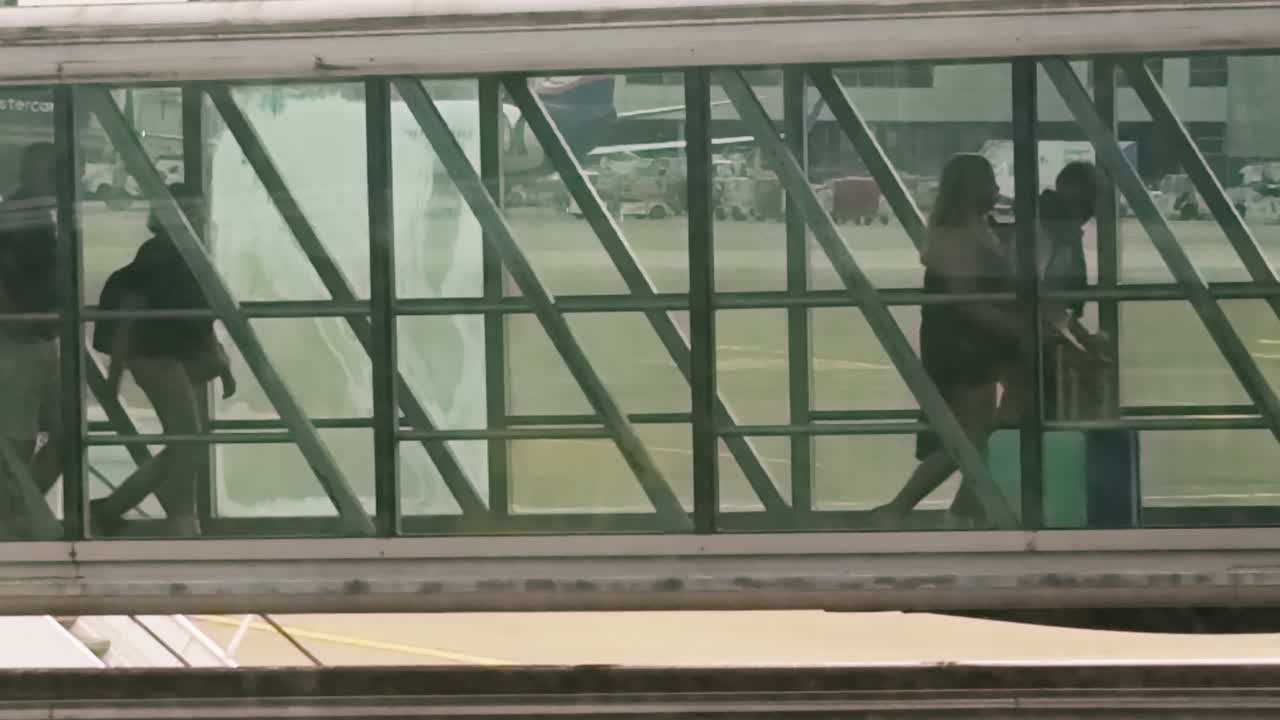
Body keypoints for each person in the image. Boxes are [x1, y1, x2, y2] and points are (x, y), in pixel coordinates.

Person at [870, 154, 1029, 529]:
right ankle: (902, 509)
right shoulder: (954, 234)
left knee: (988, 426)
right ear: (968, 187)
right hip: (962, 343)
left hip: (981, 338)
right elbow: (966, 301)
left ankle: (964, 508)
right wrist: (1016, 327)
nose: (995, 188)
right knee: (971, 436)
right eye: (987, 180)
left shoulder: (976, 226)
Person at [90, 183, 235, 536]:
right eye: (194, 210)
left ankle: (157, 513)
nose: (201, 216)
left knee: (186, 440)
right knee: (188, 440)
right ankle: (160, 514)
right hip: (156, 355)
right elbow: (134, 310)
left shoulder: (174, 253)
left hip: (166, 355)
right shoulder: (164, 256)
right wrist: (116, 370)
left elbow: (190, 315)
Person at [1039, 161, 1111, 418]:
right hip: (1038, 339)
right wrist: (1075, 345)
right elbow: (1035, 294)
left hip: (1049, 334)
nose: (1092, 208)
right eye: (1090, 197)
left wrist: (1080, 337)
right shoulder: (1046, 231)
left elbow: (1056, 303)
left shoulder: (1062, 231)